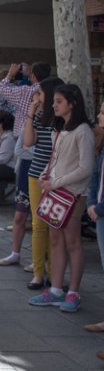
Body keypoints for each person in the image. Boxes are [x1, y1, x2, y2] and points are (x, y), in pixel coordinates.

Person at [28, 84, 94, 312]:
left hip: (73, 194)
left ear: (72, 103)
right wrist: (47, 175)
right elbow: (55, 158)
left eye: (58, 101)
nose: (54, 105)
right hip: (55, 192)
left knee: (73, 243)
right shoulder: (60, 128)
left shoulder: (83, 131)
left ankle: (73, 291)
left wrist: (55, 181)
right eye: (53, 101)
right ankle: (55, 289)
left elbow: (86, 167)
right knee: (56, 240)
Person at [24, 76, 65, 290]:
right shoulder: (40, 116)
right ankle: (38, 273)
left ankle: (54, 273)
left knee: (55, 226)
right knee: (39, 225)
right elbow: (27, 142)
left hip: (58, 179)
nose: (36, 97)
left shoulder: (63, 119)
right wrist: (30, 114)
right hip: (36, 176)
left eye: (39, 93)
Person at [0, 118, 34, 266]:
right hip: (25, 171)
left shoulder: (49, 124)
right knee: (19, 215)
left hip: (41, 172)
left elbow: (35, 151)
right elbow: (19, 150)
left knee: (38, 221)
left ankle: (39, 258)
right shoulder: (28, 122)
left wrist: (28, 148)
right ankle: (15, 253)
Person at [85, 102, 104, 333]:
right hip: (98, 213)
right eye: (100, 111)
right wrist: (91, 203)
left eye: (103, 112)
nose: (99, 116)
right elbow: (95, 178)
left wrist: (99, 207)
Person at [0, 62, 52, 137]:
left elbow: (1, 88)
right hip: (44, 132)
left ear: (33, 75)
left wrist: (10, 74)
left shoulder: (26, 91)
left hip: (23, 133)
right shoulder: (52, 90)